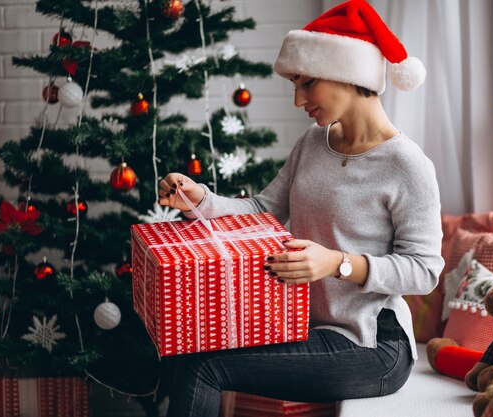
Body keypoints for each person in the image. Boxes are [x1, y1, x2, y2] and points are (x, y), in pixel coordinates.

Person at [158, 1, 443, 416]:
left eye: (306, 83)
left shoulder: (408, 165)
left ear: (348, 74)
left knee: (204, 366)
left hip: (371, 343)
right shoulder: (313, 143)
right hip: (302, 326)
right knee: (188, 350)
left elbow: (425, 270)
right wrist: (199, 199)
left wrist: (338, 263)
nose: (298, 100)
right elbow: (263, 209)